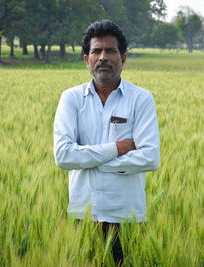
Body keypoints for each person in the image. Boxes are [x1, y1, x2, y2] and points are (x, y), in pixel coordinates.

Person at [53, 20, 160, 265]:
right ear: (86, 59)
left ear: (123, 57)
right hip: (82, 214)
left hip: (127, 217)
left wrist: (90, 160)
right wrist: (119, 148)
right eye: (96, 51)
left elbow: (150, 158)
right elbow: (63, 157)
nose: (103, 57)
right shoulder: (71, 99)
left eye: (110, 51)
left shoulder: (141, 99)